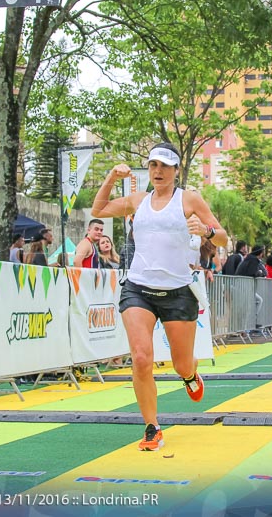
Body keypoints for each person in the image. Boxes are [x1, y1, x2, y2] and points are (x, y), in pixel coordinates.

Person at [90, 143, 227, 452]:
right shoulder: (138, 200)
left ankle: (190, 374)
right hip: (138, 288)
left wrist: (205, 230)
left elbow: (222, 237)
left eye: (165, 166)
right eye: (153, 165)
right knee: (140, 358)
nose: (158, 171)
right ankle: (152, 427)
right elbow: (98, 210)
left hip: (178, 292)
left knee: (180, 365)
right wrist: (111, 177)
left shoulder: (189, 199)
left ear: (176, 171)